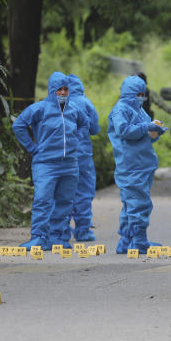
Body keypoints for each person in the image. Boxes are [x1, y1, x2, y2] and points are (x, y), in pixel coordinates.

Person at [12, 72, 94, 249]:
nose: (63, 93)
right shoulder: (40, 109)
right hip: (46, 164)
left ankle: (57, 237)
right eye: (59, 90)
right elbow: (18, 125)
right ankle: (38, 237)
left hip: (70, 163)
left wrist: (76, 140)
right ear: (52, 90)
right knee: (43, 199)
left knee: (65, 201)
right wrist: (32, 148)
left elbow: (85, 123)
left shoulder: (74, 109)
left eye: (66, 89)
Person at [107, 75, 167, 254]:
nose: (142, 97)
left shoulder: (140, 111)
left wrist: (155, 132)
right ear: (129, 93)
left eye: (144, 94)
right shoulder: (121, 110)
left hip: (143, 164)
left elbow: (143, 138)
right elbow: (124, 130)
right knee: (139, 204)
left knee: (130, 205)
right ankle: (139, 242)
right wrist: (147, 128)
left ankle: (126, 241)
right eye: (138, 94)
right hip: (131, 165)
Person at [55, 74, 101, 242]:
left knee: (63, 193)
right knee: (84, 191)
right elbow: (95, 128)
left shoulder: (58, 102)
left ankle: (62, 232)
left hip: (63, 155)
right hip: (83, 156)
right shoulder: (85, 103)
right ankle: (82, 231)